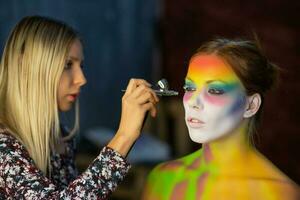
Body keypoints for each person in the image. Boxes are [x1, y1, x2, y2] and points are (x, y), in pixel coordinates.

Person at [0, 15, 159, 199]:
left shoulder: (62, 138)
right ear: (25, 66)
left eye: (81, 66)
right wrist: (124, 136)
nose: (81, 79)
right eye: (68, 64)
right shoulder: (4, 148)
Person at [142, 38, 300, 199]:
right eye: (189, 88)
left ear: (251, 105)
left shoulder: (281, 194)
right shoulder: (163, 178)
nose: (192, 102)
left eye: (215, 91)